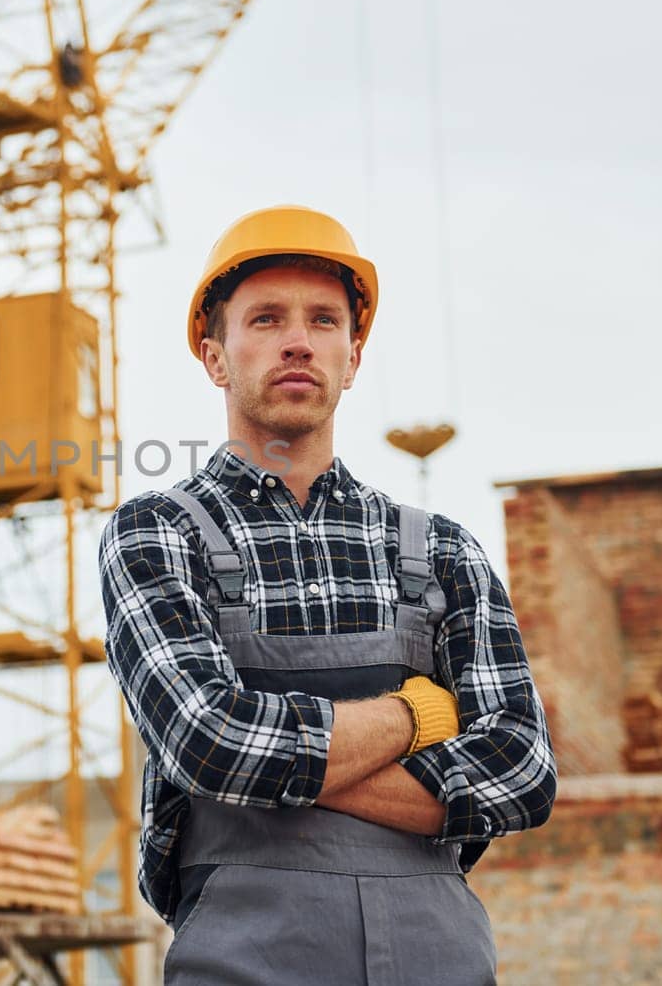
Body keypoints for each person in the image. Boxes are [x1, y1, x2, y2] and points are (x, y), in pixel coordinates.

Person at [99, 205, 557, 984]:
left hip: (438, 959)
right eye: (266, 318)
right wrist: (416, 716)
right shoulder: (156, 534)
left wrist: (280, 779)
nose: (298, 339)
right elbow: (210, 741)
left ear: (352, 353)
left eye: (323, 320)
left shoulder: (443, 549)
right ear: (214, 355)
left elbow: (519, 767)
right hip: (245, 959)